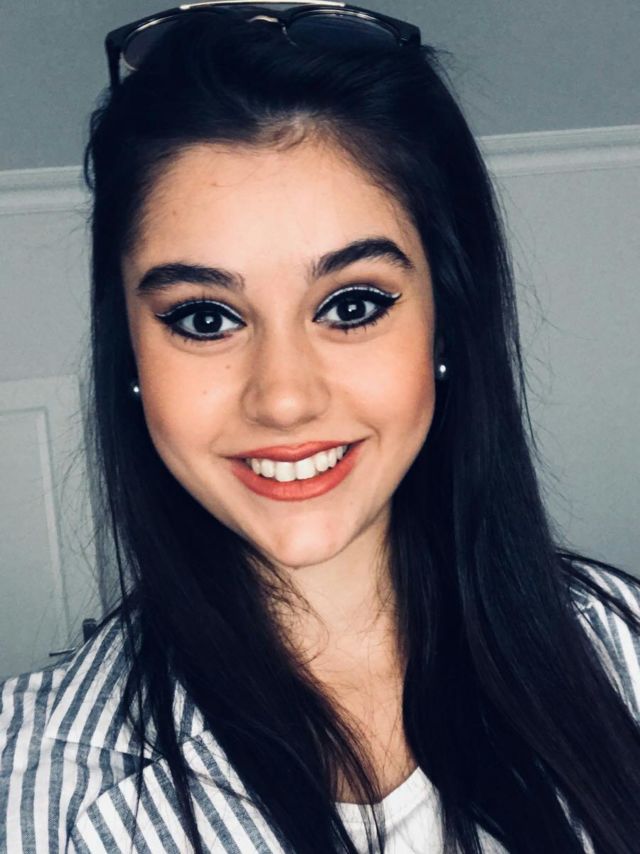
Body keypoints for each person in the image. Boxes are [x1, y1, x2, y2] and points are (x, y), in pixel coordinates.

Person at [1, 3, 640, 852]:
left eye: (352, 305)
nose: (284, 399)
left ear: (446, 327)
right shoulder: (25, 771)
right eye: (204, 318)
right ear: (131, 354)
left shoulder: (623, 651)